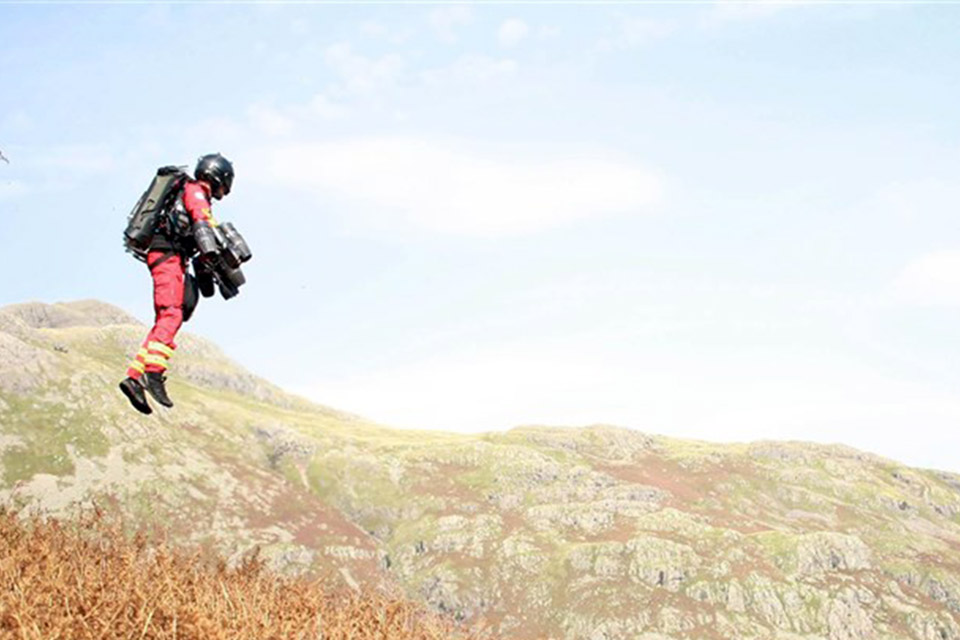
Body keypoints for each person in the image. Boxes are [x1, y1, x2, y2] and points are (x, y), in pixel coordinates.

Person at [119, 153, 235, 415]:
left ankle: (134, 377)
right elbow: (201, 222)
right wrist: (214, 251)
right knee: (172, 314)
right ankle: (154, 373)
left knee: (163, 319)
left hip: (168, 256)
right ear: (218, 177)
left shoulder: (187, 190)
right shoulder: (195, 192)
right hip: (167, 256)